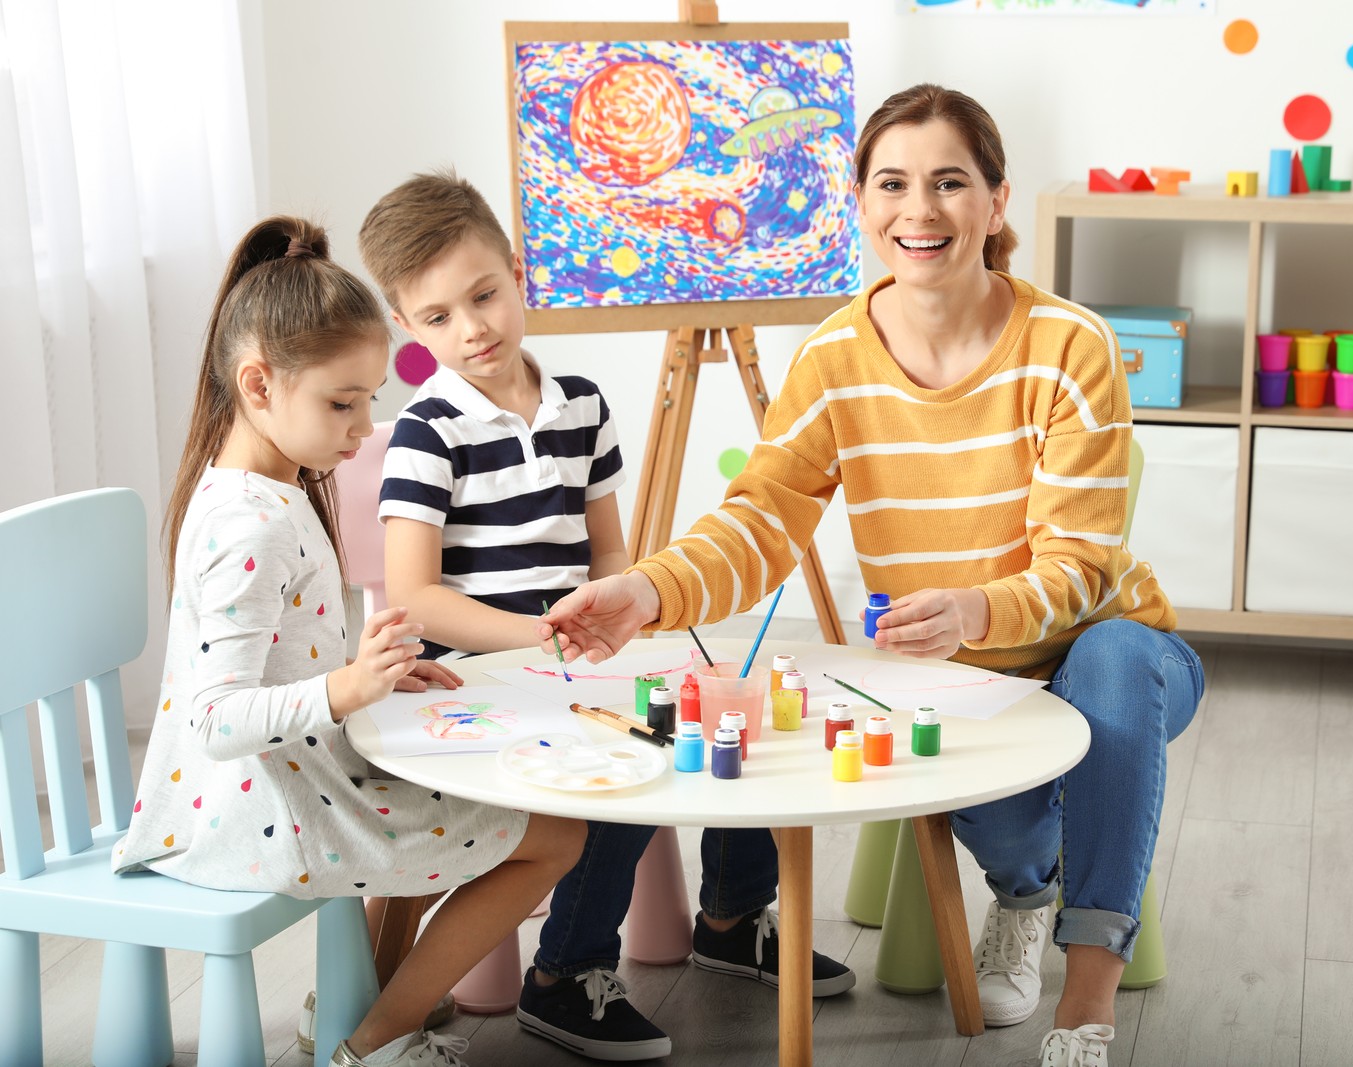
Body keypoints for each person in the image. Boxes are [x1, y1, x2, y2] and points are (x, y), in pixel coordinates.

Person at [538, 84, 1205, 1067]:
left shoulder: (1072, 345)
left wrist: (979, 605)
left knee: (1110, 659)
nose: (920, 210)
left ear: (996, 199)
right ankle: (1023, 893)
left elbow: (1080, 564)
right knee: (1014, 831)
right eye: (892, 183)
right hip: (955, 679)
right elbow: (760, 520)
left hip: (1108, 652)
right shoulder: (836, 356)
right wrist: (646, 590)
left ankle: (1086, 1001)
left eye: (949, 182)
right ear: (859, 201)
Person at [357, 171, 854, 1062]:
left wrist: (619, 625)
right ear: (406, 324)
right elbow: (418, 598)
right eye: (437, 317)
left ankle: (734, 917)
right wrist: (539, 634)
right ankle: (565, 976)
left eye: (484, 295)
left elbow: (611, 556)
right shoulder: (427, 431)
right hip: (474, 683)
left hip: (571, 664)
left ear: (518, 271)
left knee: (726, 711)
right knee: (623, 770)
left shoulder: (581, 405)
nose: (471, 328)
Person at [114, 216, 586, 1067]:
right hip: (258, 808)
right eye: (343, 402)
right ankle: (373, 1039)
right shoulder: (249, 522)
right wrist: (347, 688)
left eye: (370, 398)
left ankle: (353, 1001)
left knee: (449, 776)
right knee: (558, 833)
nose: (365, 426)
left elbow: (269, 661)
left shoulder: (262, 488)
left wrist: (370, 672)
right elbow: (216, 721)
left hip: (287, 777)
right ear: (257, 384)